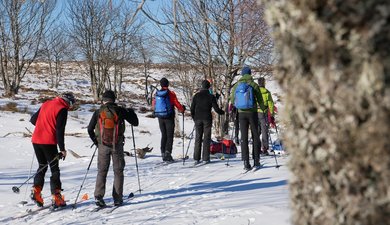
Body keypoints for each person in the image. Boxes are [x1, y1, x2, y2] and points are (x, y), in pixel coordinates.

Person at [87, 90, 139, 207]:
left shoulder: (98, 112)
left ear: (103, 100)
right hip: (117, 145)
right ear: (113, 100)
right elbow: (135, 123)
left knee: (102, 171)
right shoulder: (120, 110)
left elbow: (90, 129)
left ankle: (98, 196)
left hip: (103, 145)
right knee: (118, 171)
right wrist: (131, 112)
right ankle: (117, 198)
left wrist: (97, 142)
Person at [30, 92, 76, 208]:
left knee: (42, 165)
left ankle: (36, 191)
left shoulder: (46, 103)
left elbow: (33, 119)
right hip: (48, 142)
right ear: (68, 101)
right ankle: (57, 198)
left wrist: (43, 125)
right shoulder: (62, 109)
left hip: (36, 140)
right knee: (54, 169)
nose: (71, 106)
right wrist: (62, 149)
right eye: (71, 103)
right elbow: (60, 131)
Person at [230, 66, 266, 170]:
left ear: (242, 74)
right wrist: (264, 108)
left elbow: (232, 100)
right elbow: (260, 99)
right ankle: (256, 160)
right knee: (255, 135)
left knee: (244, 137)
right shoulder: (253, 84)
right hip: (252, 112)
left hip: (241, 114)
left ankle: (246, 162)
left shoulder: (237, 85)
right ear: (250, 74)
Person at [190, 80, 225, 165]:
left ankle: (196, 158)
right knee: (206, 138)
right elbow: (216, 109)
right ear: (209, 87)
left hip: (197, 119)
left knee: (198, 138)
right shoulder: (211, 96)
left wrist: (194, 118)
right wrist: (222, 112)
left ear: (201, 86)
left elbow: (192, 109)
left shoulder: (196, 96)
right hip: (207, 119)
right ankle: (205, 158)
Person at [153, 78, 185, 162]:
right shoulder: (171, 93)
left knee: (164, 135)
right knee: (170, 135)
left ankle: (163, 153)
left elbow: (154, 105)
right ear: (168, 84)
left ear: (160, 84)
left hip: (160, 117)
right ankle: (168, 153)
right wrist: (182, 109)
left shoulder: (157, 94)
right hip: (169, 117)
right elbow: (176, 103)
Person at [257, 77, 275, 155]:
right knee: (264, 131)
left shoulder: (255, 91)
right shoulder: (267, 92)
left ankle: (256, 148)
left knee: (256, 131)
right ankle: (264, 148)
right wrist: (271, 114)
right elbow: (271, 104)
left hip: (255, 113)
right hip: (263, 113)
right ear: (264, 83)